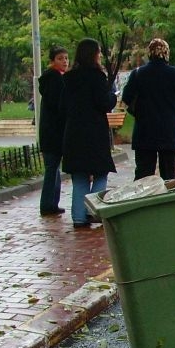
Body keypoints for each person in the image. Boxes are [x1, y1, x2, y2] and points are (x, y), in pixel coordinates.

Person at [59, 38, 117, 229]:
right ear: (93, 54)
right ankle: (94, 210)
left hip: (73, 132)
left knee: (79, 175)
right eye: (98, 52)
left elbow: (62, 106)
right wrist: (112, 97)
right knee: (101, 172)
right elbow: (105, 103)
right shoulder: (96, 76)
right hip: (94, 132)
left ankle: (78, 217)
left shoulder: (68, 78)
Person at [121, 38, 175, 180]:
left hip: (144, 132)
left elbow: (127, 97)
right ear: (166, 53)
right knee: (168, 176)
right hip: (168, 131)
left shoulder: (138, 74)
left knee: (143, 176)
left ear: (150, 53)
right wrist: (172, 106)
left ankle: (144, 202)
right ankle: (166, 201)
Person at [37, 45, 68, 216]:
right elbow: (59, 106)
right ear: (52, 61)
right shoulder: (55, 80)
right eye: (60, 58)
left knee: (54, 168)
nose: (64, 61)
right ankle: (47, 204)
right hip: (53, 133)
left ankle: (51, 203)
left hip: (52, 133)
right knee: (51, 168)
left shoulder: (55, 79)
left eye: (66, 58)